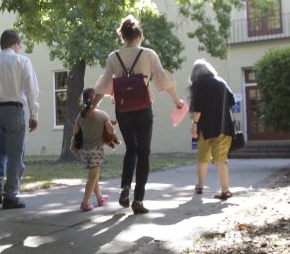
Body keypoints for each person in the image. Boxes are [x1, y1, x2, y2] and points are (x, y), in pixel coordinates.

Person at [94, 15, 185, 214]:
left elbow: (103, 85)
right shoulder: (149, 54)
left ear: (122, 36)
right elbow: (163, 78)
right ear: (139, 35)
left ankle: (125, 187)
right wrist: (177, 100)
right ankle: (138, 200)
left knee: (131, 149)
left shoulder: (113, 57)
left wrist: (92, 105)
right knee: (144, 153)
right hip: (143, 108)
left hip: (123, 109)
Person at [0, 29, 40, 209]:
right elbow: (31, 90)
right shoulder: (22, 61)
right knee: (15, 154)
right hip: (14, 110)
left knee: (1, 149)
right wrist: (34, 114)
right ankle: (10, 195)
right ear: (16, 44)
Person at [189, 59, 235, 200]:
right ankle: (225, 190)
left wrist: (194, 125)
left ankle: (200, 186)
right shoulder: (221, 82)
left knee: (203, 158)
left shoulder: (197, 85)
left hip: (205, 129)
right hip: (224, 127)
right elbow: (232, 102)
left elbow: (197, 110)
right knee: (221, 160)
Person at [71, 88, 115, 212]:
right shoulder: (102, 115)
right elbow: (111, 130)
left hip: (85, 151)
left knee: (93, 175)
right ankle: (85, 202)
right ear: (95, 99)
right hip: (96, 150)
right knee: (93, 176)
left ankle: (100, 197)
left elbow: (75, 131)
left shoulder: (81, 116)